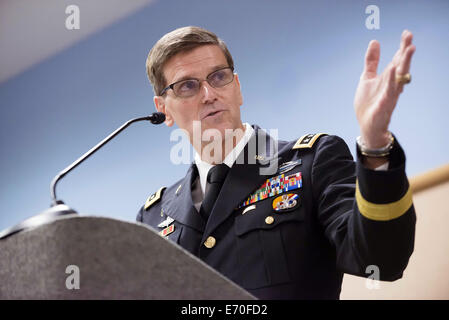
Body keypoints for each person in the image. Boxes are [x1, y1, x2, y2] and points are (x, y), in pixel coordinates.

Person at [137, 26, 416, 299]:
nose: (209, 94)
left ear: (237, 87)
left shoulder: (311, 161)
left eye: (219, 77)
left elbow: (381, 260)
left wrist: (375, 143)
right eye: (188, 86)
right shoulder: (153, 217)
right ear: (163, 109)